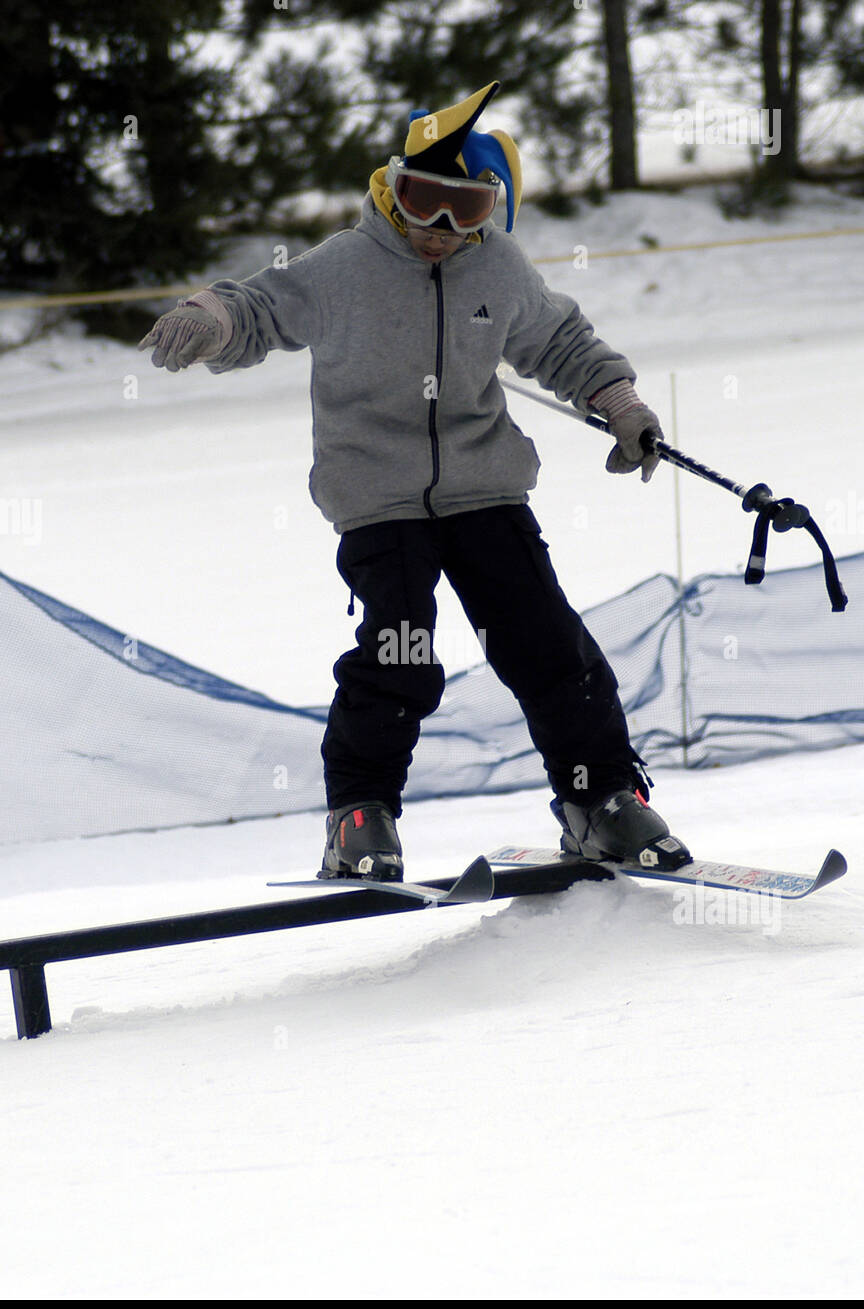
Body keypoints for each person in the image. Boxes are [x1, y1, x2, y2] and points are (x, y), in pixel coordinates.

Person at [140, 80, 690, 882]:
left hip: (487, 492)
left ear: (490, 213)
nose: (438, 228)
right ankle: (361, 816)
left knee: (549, 648)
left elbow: (562, 343)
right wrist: (211, 317)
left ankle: (601, 800)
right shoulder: (343, 266)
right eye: (422, 199)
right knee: (399, 657)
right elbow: (259, 307)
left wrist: (623, 403)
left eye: (463, 211)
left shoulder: (498, 270)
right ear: (388, 189)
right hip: (380, 502)